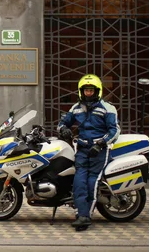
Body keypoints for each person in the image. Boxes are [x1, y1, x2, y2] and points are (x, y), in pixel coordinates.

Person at [57, 74, 119, 231]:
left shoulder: (108, 108)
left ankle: (85, 216)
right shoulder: (76, 108)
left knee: (92, 181)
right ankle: (81, 214)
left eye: (91, 90)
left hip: (99, 151)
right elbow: (63, 123)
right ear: (81, 91)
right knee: (79, 181)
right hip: (82, 149)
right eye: (86, 91)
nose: (89, 93)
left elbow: (115, 130)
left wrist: (101, 144)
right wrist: (63, 129)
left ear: (97, 91)